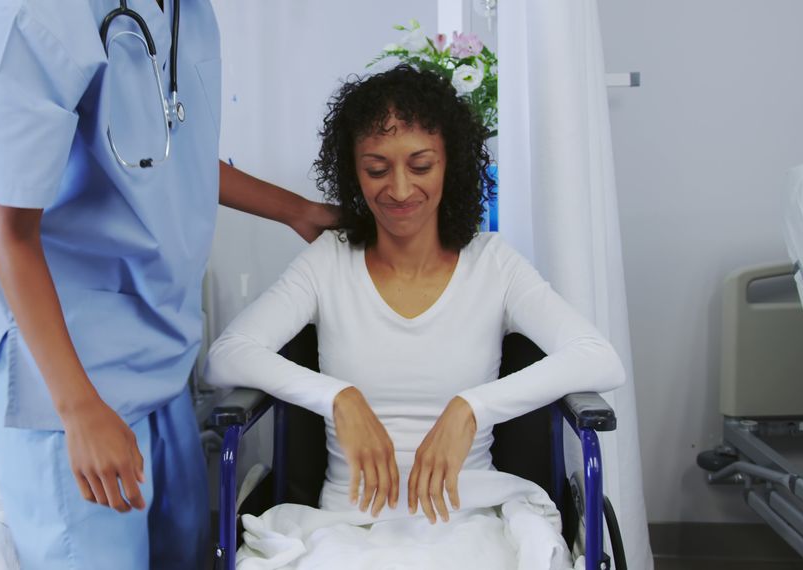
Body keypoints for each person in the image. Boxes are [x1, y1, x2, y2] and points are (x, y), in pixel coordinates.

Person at [0, 0, 336, 568]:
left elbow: (172, 152)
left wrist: (298, 211)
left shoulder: (187, 13)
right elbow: (11, 231)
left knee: (182, 548)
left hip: (156, 345)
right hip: (65, 356)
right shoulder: (38, 15)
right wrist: (78, 412)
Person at [206, 65, 626, 567]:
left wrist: (471, 409)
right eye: (377, 169)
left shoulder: (492, 264)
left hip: (468, 523)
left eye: (421, 166)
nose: (400, 190)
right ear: (352, 171)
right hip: (346, 530)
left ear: (452, 165)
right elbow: (226, 356)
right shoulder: (329, 261)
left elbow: (600, 359)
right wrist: (338, 398)